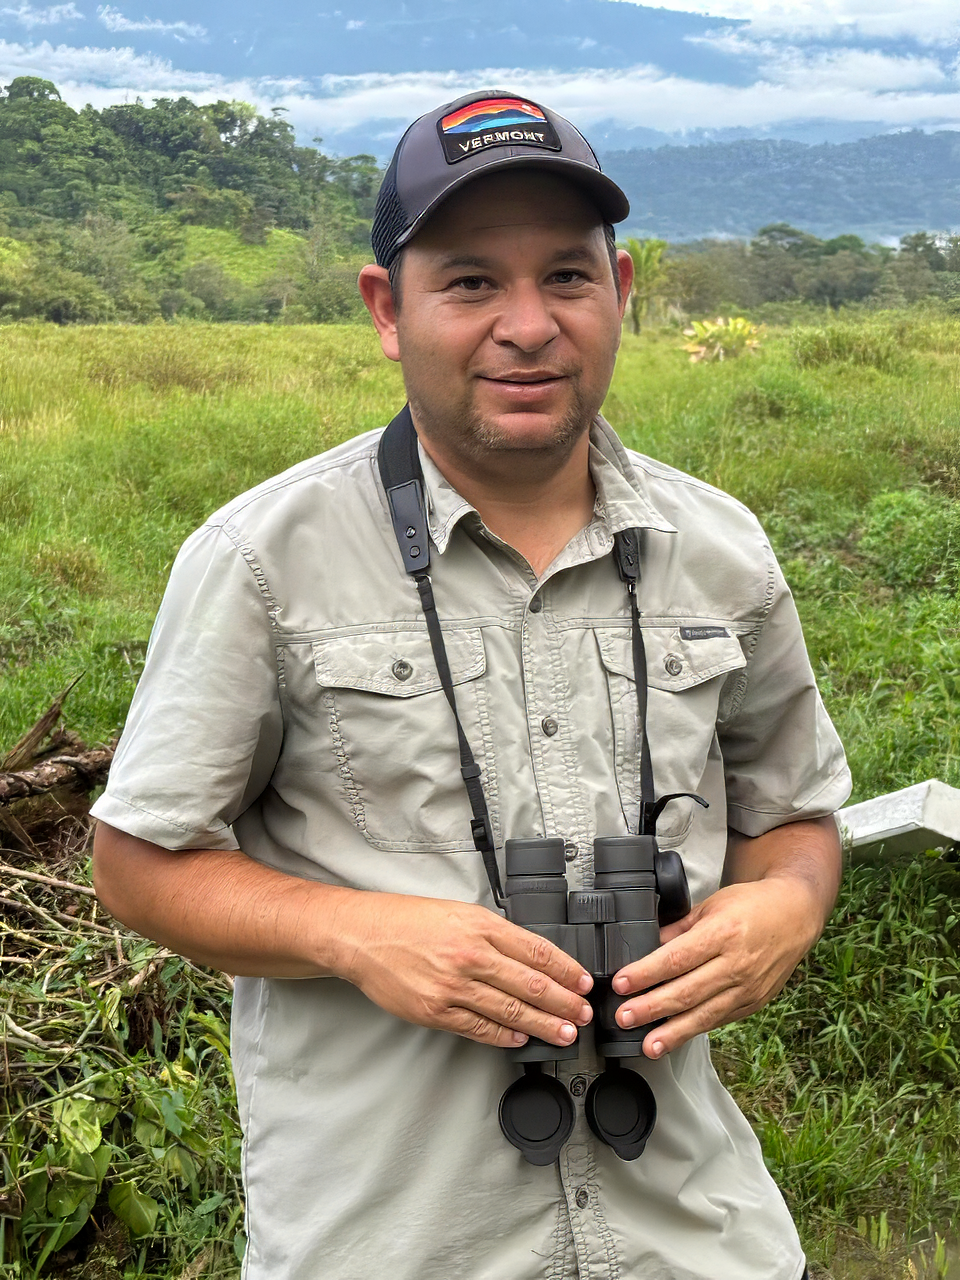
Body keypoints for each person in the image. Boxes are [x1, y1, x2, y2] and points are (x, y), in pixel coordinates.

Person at [92, 90, 851, 1280]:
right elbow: (137, 862)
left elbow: (794, 812)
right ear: (387, 309)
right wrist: (360, 932)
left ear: (624, 290)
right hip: (392, 1238)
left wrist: (784, 910)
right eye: (469, 283)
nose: (528, 325)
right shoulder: (261, 559)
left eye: (565, 276)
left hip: (697, 1233)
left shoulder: (723, 550)